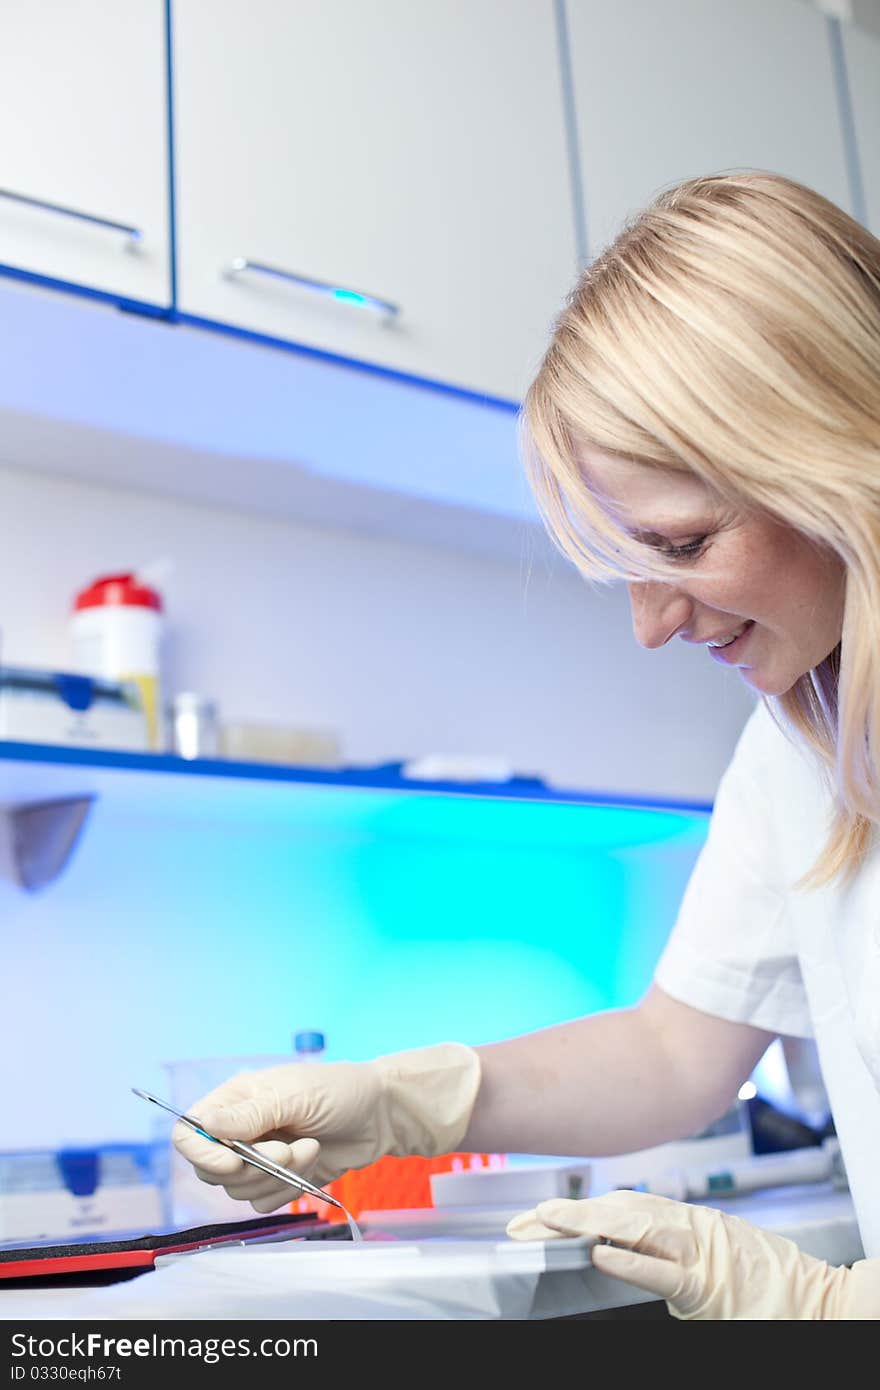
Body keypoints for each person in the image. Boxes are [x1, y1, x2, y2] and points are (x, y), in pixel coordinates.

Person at [173, 171, 880, 1319]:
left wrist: (825, 1308)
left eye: (685, 545)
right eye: (627, 574)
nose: (653, 627)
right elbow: (671, 1053)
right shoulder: (801, 741)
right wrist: (406, 1102)